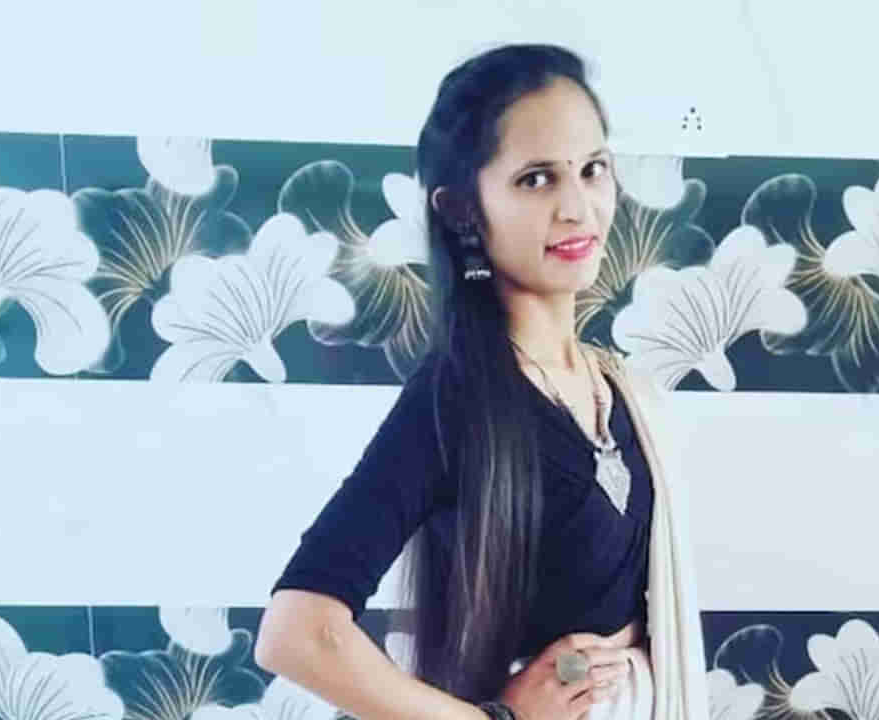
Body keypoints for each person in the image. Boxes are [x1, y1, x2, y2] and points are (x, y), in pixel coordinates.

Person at [255, 43, 708, 720]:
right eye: (536, 179)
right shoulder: (456, 397)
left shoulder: (617, 387)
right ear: (464, 210)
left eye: (592, 169)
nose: (578, 207)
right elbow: (297, 634)